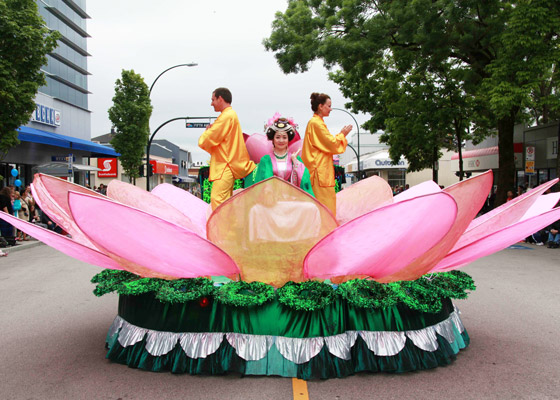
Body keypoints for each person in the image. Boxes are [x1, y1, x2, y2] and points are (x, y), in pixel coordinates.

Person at [198, 87, 256, 211]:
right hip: (226, 163)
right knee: (224, 202)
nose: (211, 103)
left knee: (217, 200)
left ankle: (223, 229)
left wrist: (206, 133)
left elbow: (208, 138)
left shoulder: (226, 116)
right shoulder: (229, 115)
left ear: (220, 98)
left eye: (213, 99)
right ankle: (227, 229)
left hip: (225, 164)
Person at [302, 92, 351, 216]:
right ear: (320, 106)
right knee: (325, 209)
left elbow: (328, 142)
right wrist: (342, 135)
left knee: (326, 207)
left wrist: (340, 136)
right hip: (320, 172)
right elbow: (331, 143)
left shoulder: (317, 123)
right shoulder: (316, 123)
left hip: (321, 171)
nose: (331, 109)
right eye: (328, 106)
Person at [245, 116, 314, 196]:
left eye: (284, 137)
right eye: (278, 137)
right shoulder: (266, 160)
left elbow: (305, 181)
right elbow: (259, 185)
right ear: (273, 139)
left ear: (288, 139)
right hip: (270, 198)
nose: (281, 140)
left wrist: (295, 162)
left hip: (291, 198)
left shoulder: (295, 159)